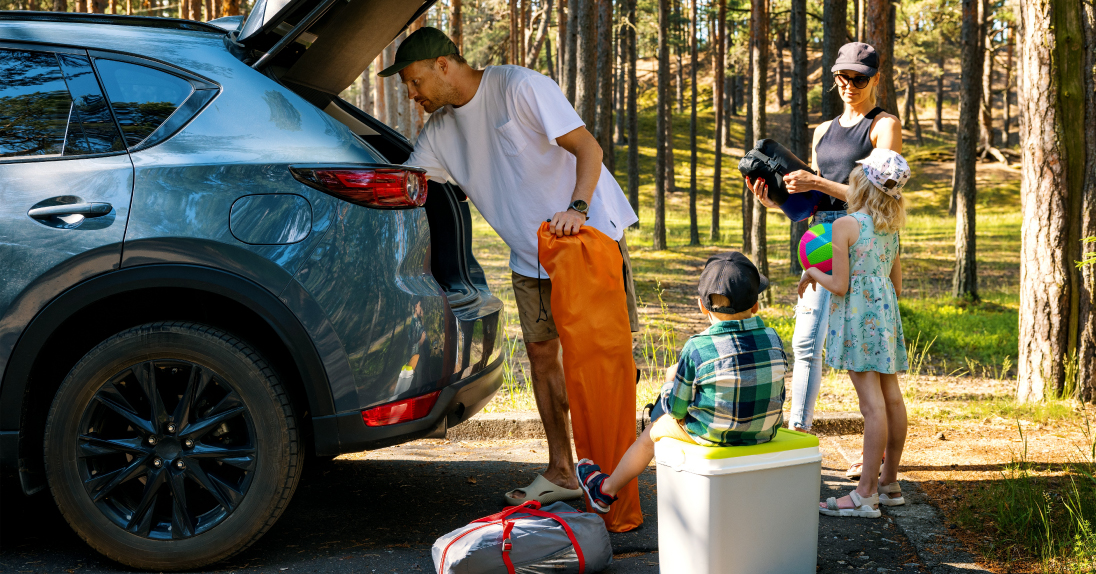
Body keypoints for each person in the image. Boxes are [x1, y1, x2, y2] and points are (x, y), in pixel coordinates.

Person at [381, 27, 640, 506]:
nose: (411, 94)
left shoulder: (519, 87)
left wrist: (577, 208)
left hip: (588, 240)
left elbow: (589, 149)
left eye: (414, 82)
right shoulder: (439, 133)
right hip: (530, 257)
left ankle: (619, 477)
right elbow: (407, 185)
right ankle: (563, 469)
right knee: (543, 360)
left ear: (443, 65)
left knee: (603, 363)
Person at [746, 41, 901, 479]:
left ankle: (880, 462)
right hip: (820, 234)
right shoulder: (822, 131)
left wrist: (818, 181)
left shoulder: (883, 125)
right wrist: (776, 201)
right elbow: (811, 201)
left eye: (859, 79)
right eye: (842, 78)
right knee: (806, 342)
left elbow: (885, 195)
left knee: (870, 357)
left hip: (863, 236)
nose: (849, 86)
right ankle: (798, 433)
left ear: (875, 79)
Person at [573, 253, 787, 512]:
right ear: (755, 307)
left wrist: (668, 383)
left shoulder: (697, 347)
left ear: (702, 306)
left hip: (714, 437)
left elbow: (676, 410)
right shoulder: (773, 338)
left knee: (653, 432)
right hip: (764, 433)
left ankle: (604, 491)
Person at [800, 148, 910, 518]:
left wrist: (812, 273)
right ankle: (890, 484)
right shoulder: (889, 228)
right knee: (891, 398)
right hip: (885, 318)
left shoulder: (846, 225)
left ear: (861, 182)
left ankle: (865, 494)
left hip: (858, 323)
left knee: (871, 406)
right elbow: (896, 284)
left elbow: (841, 285)